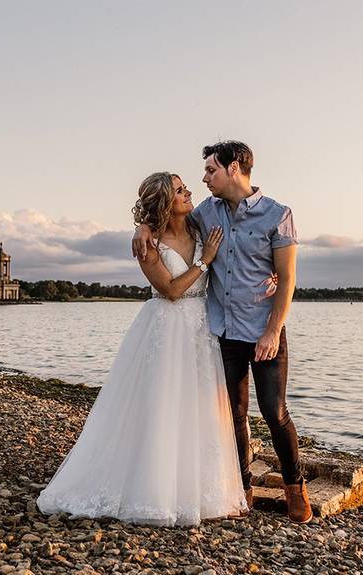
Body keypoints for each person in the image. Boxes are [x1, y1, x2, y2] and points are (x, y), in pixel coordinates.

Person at [37, 172, 247, 526]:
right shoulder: (148, 244)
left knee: (195, 408)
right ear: (166, 202)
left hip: (201, 328)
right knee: (160, 406)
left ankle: (197, 491)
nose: (188, 192)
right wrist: (203, 260)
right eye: (180, 191)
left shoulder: (197, 226)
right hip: (167, 327)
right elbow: (171, 290)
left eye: (184, 188)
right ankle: (153, 490)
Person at [132, 141, 312, 524]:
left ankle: (295, 488)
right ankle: (241, 487)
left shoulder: (278, 215)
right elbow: (167, 217)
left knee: (274, 411)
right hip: (222, 331)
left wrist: (272, 330)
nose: (203, 178)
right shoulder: (205, 212)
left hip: (264, 330)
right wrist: (143, 225)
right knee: (232, 413)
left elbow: (288, 280)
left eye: (211, 170)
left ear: (234, 169)